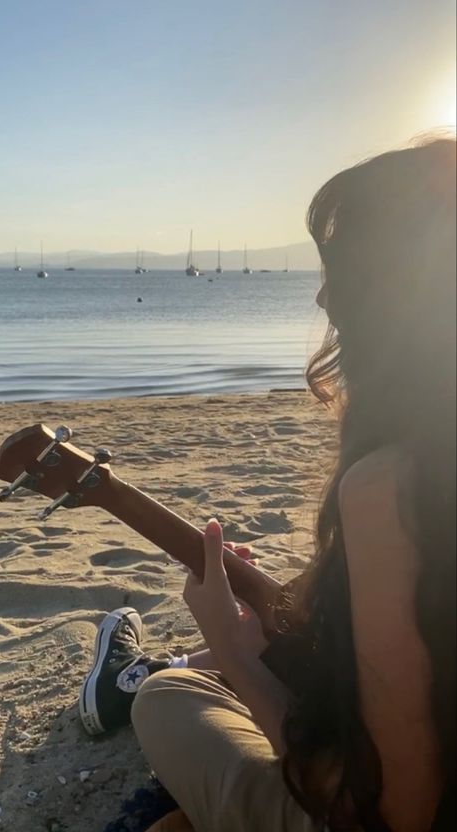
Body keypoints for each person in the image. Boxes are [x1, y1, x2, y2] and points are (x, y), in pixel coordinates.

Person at [79, 136, 456, 831]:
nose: (322, 293)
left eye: (342, 264)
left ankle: (144, 682)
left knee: (168, 696)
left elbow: (393, 813)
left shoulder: (395, 484)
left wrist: (234, 654)